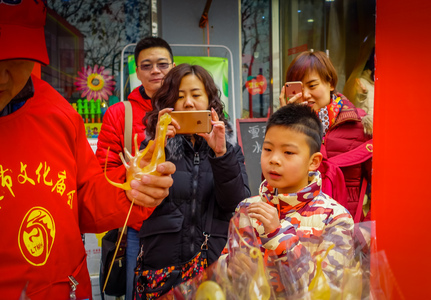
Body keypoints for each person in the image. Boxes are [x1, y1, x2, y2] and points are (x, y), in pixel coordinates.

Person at [0, 1, 175, 299]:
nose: (2, 77)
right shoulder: (119, 113)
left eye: (14, 59)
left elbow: (84, 198)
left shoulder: (59, 114)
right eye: (147, 65)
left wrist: (130, 190)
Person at [135, 64, 251, 299]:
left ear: (210, 101)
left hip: (214, 268)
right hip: (162, 270)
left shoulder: (229, 149)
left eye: (196, 95)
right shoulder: (152, 147)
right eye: (179, 97)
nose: (188, 103)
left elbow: (238, 204)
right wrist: (157, 146)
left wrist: (221, 155)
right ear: (169, 104)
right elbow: (137, 200)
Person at [219, 103, 354, 298]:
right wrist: (229, 267)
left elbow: (330, 291)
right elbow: (226, 267)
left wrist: (278, 236)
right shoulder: (247, 208)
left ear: (313, 162)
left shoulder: (335, 218)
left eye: (288, 152)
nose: (274, 159)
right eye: (267, 149)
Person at [95, 36, 175, 300]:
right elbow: (103, 171)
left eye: (162, 64)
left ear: (173, 67)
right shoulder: (120, 114)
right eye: (147, 65)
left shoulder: (189, 109)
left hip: (187, 226)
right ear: (137, 71)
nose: (155, 70)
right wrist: (133, 174)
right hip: (139, 229)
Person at [279, 50, 373, 222]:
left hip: (345, 234)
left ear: (330, 83)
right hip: (297, 233)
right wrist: (286, 123)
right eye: (299, 88)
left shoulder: (360, 125)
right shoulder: (286, 127)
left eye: (312, 85)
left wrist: (364, 232)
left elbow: (382, 186)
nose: (306, 94)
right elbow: (273, 181)